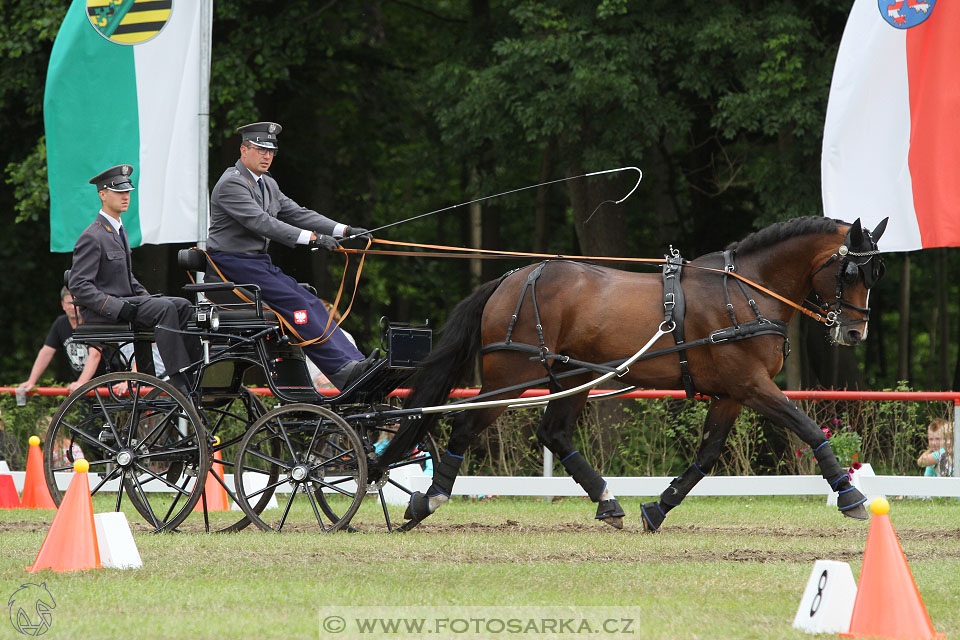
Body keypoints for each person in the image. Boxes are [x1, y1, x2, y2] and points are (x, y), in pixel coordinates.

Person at [207, 122, 379, 389]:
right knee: (298, 306)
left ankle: (355, 363)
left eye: (271, 151)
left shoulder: (268, 185)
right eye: (260, 150)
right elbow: (262, 223)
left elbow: (298, 213)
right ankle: (342, 372)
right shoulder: (232, 184)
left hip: (256, 264)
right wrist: (312, 238)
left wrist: (343, 230)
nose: (267, 156)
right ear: (243, 150)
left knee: (309, 301)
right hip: (232, 267)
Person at [68, 164, 197, 394]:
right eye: (119, 192)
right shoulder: (93, 236)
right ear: (103, 194)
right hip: (106, 313)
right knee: (166, 308)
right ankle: (179, 379)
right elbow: (78, 285)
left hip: (128, 302)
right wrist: (115, 307)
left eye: (127, 192)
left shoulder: (118, 231)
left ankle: (193, 370)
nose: (125, 197)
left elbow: (127, 278)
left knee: (183, 305)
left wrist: (148, 299)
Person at [17, 287, 103, 395]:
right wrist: (31, 381)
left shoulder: (93, 322)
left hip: (106, 383)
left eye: (76, 303)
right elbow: (46, 352)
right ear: (63, 305)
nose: (73, 307)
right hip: (82, 387)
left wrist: (81, 382)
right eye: (69, 303)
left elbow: (95, 354)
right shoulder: (60, 323)